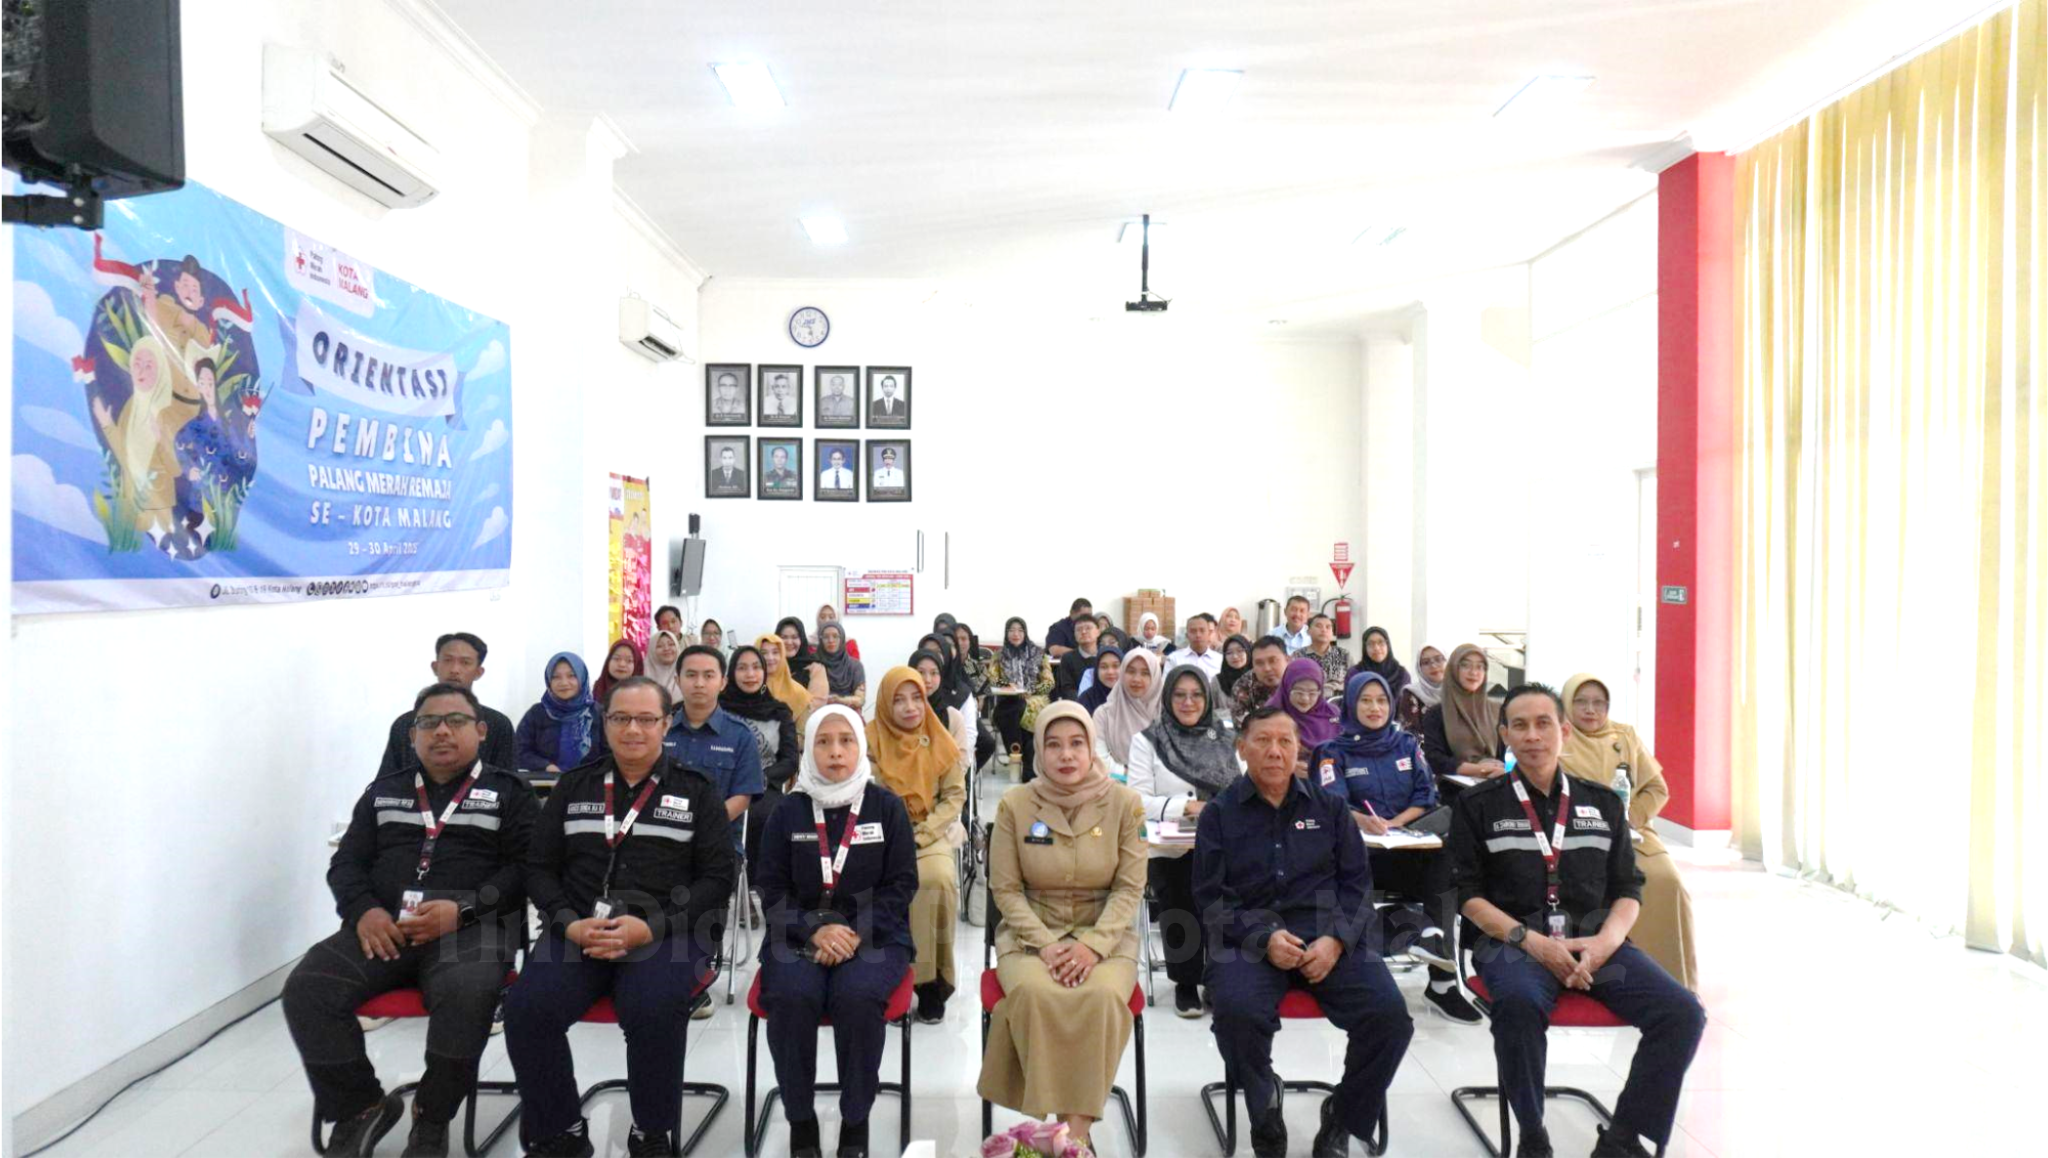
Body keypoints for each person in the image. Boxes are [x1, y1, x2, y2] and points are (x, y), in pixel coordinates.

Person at [1450, 684, 1706, 1158]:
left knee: (1682, 1013)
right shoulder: (1477, 805)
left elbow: (1628, 888)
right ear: (1505, 736)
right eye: (1520, 725)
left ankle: (1623, 1137)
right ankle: (1532, 1135)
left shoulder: (1603, 803)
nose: (1533, 735)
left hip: (1596, 942)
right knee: (1519, 1006)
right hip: (1513, 943)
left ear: (1564, 731)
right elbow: (1468, 896)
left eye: (1543, 723)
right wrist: (1533, 943)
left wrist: (1606, 942)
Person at [286, 683, 535, 1158]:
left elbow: (525, 870)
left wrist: (463, 909)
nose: (442, 731)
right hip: (385, 929)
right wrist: (364, 910)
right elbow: (346, 864)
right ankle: (360, 1106)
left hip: (471, 929)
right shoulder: (384, 792)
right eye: (428, 723)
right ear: (412, 734)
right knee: (308, 988)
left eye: (456, 721)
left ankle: (432, 1114)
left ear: (481, 731)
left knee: (467, 996)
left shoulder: (510, 793)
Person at [504, 677, 736, 1158]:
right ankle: (561, 1129)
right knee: (527, 1008)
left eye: (646, 719)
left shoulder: (697, 790)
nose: (633, 729)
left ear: (666, 724)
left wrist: (651, 927)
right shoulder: (574, 786)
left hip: (667, 931)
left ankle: (651, 1131)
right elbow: (538, 868)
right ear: (604, 723)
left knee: (652, 1007)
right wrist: (568, 922)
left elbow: (717, 878)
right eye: (620, 718)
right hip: (579, 928)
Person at [1194, 707, 1415, 1158]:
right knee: (1235, 1013)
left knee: (1390, 1018)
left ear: (1300, 750)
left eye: (1285, 741)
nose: (1275, 751)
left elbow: (1358, 887)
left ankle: (1344, 1116)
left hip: (1327, 938)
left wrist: (1336, 940)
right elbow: (1210, 900)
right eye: (1262, 741)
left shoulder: (1330, 809)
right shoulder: (1218, 814)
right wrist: (1263, 939)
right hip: (1248, 940)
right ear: (1242, 748)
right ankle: (1264, 1104)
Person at [977, 703, 1147, 1153]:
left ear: (1092, 748)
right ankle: (1073, 1140)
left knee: (1102, 996)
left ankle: (1069, 1137)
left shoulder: (1125, 804)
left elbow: (1129, 889)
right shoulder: (1016, 804)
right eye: (1053, 745)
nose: (1066, 755)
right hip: (1031, 935)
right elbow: (1005, 890)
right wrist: (1046, 946)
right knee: (1036, 993)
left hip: (1106, 934)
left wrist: (1093, 947)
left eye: (1076, 744)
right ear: (1038, 749)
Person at [754, 706, 919, 1158]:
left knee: (858, 997)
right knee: (791, 997)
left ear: (861, 746)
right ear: (808, 749)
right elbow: (770, 887)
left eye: (846, 740)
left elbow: (902, 884)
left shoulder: (886, 807)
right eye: (823, 742)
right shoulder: (787, 811)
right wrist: (814, 930)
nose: (835, 752)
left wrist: (854, 932)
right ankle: (800, 1119)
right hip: (796, 935)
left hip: (875, 935)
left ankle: (855, 1119)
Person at [1311, 672, 1481, 1023]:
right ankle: (1390, 956)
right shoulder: (1331, 752)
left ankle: (1442, 981)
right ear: (1350, 704)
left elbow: (1426, 796)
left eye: (1381, 700)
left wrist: (1396, 823)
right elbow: (1331, 803)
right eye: (1365, 700)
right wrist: (1365, 821)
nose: (1375, 708)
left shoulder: (1405, 744)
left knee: (1445, 861)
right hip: (1360, 857)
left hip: (1407, 847)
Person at [1560, 673, 1697, 991]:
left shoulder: (1625, 736)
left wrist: (1630, 819)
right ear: (1567, 703)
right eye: (1581, 702)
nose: (1590, 710)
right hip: (1576, 835)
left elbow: (1657, 788)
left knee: (1667, 881)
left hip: (1632, 831)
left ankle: (1672, 981)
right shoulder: (1559, 735)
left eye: (1599, 703)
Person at [1127, 665, 1242, 1017]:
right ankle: (1186, 982)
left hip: (1223, 844)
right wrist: (1186, 807)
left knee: (1228, 899)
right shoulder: (1148, 740)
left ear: (1207, 699)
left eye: (1196, 695)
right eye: (1179, 695)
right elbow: (1136, 801)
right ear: (1167, 698)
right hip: (1172, 846)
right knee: (1180, 890)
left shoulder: (1227, 738)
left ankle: (1220, 978)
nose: (1188, 702)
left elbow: (1243, 790)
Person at [865, 667, 966, 1022]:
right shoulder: (869, 740)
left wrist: (922, 833)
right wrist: (896, 833)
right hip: (880, 835)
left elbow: (954, 796)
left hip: (927, 832)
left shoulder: (939, 739)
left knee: (936, 879)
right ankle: (889, 978)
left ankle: (930, 982)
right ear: (884, 703)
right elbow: (865, 793)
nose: (910, 707)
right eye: (899, 700)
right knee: (877, 884)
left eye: (916, 698)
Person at [379, 633, 518, 776]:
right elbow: (384, 785)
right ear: (435, 667)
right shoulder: (405, 724)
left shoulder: (498, 725)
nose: (454, 670)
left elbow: (509, 784)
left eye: (465, 662)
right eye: (447, 660)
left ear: (479, 672)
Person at [723, 645, 800, 872]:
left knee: (768, 818)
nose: (750, 674)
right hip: (723, 783)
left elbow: (790, 760)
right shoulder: (718, 709)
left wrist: (759, 777)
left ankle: (761, 882)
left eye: (756, 667)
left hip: (763, 787)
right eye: (742, 668)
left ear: (764, 673)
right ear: (731, 673)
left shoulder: (779, 712)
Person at [1418, 643, 1506, 789]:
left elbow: (1507, 753)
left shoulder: (1497, 710)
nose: (1474, 672)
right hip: (1456, 791)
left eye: (1480, 667)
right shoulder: (1436, 714)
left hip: (1495, 787)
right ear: (1453, 670)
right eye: (1466, 665)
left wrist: (1501, 770)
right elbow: (1435, 760)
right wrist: (1479, 770)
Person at [516, 652, 610, 776]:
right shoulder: (537, 714)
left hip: (591, 782)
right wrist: (545, 766)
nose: (564, 683)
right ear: (549, 681)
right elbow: (519, 751)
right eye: (556, 677)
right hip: (546, 783)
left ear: (582, 677)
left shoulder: (598, 713)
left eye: (571, 676)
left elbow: (611, 754)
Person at [992, 617, 1054, 776]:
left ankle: (1017, 757)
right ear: (1006, 633)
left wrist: (1031, 690)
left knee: (1011, 712)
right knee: (1012, 709)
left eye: (1020, 630)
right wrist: (1006, 684)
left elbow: (1049, 683)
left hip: (1035, 699)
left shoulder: (1038, 654)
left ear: (1025, 633)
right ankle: (1026, 762)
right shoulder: (999, 655)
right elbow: (992, 679)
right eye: (1011, 630)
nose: (1016, 634)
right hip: (1008, 698)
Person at [1091, 647, 1161, 783]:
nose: (1136, 679)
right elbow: (1099, 758)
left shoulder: (1167, 713)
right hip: (1117, 785)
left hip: (1162, 786)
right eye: (1131, 671)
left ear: (1155, 676)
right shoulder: (1104, 714)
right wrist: (1127, 773)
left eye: (1145, 673)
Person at [911, 649, 979, 777]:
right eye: (921, 672)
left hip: (944, 784)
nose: (927, 679)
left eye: (934, 673)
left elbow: (961, 760)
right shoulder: (904, 713)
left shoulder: (952, 717)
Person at [1269, 656, 1342, 753]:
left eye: (1312, 693)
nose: (1305, 698)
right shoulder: (1270, 716)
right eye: (1299, 692)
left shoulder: (1332, 714)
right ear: (1287, 688)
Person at [1229, 636, 1290, 731]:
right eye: (1259, 663)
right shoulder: (1244, 685)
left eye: (1273, 661)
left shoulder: (1301, 680)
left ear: (1288, 660)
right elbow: (1242, 727)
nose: (1267, 668)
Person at [757, 632, 814, 728]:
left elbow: (803, 733)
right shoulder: (748, 689)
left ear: (782, 655)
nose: (770, 658)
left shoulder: (798, 692)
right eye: (763, 653)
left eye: (775, 652)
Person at [1347, 626, 1412, 706]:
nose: (1376, 648)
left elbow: (1406, 707)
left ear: (1388, 645)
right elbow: (1349, 706)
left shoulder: (1401, 674)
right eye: (1371, 644)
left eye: (1381, 643)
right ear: (1365, 648)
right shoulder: (1354, 674)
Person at [814, 622, 868, 712]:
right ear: (820, 640)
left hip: (849, 712)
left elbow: (860, 699)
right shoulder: (813, 664)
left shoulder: (855, 666)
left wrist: (840, 700)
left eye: (835, 636)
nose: (831, 640)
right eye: (826, 637)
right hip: (817, 712)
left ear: (842, 638)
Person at [1295, 614, 1351, 700]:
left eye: (1328, 627)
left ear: (1332, 633)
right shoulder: (1298, 656)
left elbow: (1353, 682)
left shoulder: (1344, 655)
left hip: (1337, 702)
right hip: (1307, 701)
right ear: (1308, 631)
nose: (1324, 630)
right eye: (1319, 626)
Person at [778, 617, 833, 702]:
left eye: (794, 637)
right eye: (784, 637)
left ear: (802, 639)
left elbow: (816, 702)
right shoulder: (771, 665)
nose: (789, 642)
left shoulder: (815, 667)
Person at [1397, 645, 1447, 733]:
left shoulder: (1458, 692)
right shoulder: (1411, 694)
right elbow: (1411, 734)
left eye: (1438, 659)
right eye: (1426, 662)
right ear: (1419, 668)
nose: (1433, 666)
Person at [1051, 615, 1101, 702]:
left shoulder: (1105, 655)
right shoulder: (1068, 658)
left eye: (1088, 628)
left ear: (1098, 632)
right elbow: (1067, 689)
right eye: (1079, 629)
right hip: (1078, 703)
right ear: (1074, 634)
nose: (1083, 632)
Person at [1166, 612, 1224, 680]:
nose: (1198, 635)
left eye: (1202, 630)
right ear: (1187, 635)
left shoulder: (1220, 660)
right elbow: (1167, 684)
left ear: (1209, 634)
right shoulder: (1174, 659)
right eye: (1193, 631)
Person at [592, 639, 644, 705]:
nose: (622, 664)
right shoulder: (597, 687)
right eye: (616, 659)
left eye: (629, 661)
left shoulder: (644, 692)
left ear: (637, 664)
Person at [1073, 646, 1121, 714]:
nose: (1110, 672)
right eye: (1104, 667)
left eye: (1115, 666)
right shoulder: (1086, 700)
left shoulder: (1131, 696)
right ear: (1096, 670)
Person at [649, 629, 686, 706]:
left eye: (671, 644)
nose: (666, 649)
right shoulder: (642, 673)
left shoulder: (686, 674)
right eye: (659, 646)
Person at [1216, 634, 1254, 701]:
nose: (1235, 656)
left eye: (1240, 651)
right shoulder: (1217, 681)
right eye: (1229, 653)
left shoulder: (1258, 678)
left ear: (1248, 652)